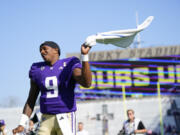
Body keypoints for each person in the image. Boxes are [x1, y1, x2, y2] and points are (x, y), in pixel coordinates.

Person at [12, 41, 92, 135]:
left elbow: (87, 83)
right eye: (40, 50)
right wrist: (22, 123)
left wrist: (85, 56)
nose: (42, 52)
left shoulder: (69, 63)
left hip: (65, 116)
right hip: (46, 118)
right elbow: (31, 99)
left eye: (45, 48)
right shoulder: (37, 69)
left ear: (55, 50)